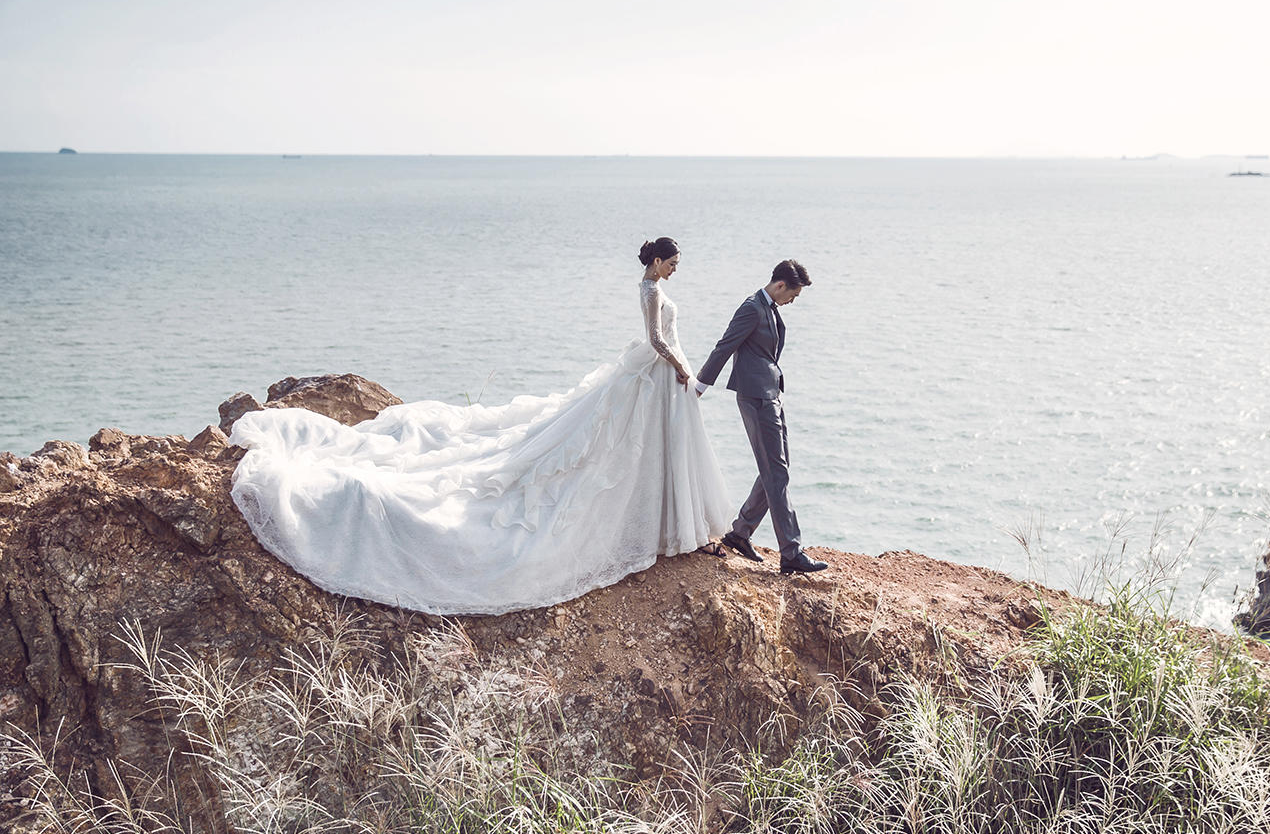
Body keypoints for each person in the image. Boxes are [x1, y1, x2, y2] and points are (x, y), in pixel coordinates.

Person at [229, 237, 731, 615]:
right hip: (658, 372)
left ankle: (674, 523)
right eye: (673, 264)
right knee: (616, 447)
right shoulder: (649, 290)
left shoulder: (657, 287)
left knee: (651, 448)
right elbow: (655, 340)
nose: (675, 271)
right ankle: (670, 525)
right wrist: (684, 370)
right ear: (657, 262)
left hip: (659, 378)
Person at [695, 260, 828, 575]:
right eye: (792, 295)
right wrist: (700, 386)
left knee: (777, 470)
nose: (792, 301)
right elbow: (724, 346)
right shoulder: (752, 308)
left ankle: (740, 533)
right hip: (756, 398)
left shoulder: (770, 309)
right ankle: (791, 552)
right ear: (780, 285)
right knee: (776, 472)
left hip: (772, 395)